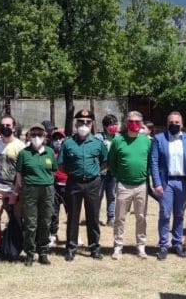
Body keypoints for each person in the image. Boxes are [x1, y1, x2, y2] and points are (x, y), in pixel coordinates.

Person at [60, 108, 109, 261]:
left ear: (92, 125)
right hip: (74, 183)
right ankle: (71, 248)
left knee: (93, 217)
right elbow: (61, 164)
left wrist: (93, 172)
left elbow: (105, 162)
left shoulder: (98, 143)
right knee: (73, 217)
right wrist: (74, 173)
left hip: (93, 183)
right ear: (76, 124)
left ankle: (94, 248)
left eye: (87, 122)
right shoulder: (68, 143)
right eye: (81, 122)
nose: (84, 125)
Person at [109, 112, 153, 260]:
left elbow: (150, 161)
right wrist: (119, 177)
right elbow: (112, 162)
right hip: (123, 185)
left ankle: (141, 246)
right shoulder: (118, 141)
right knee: (120, 218)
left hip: (141, 185)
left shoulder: (147, 141)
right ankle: (118, 246)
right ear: (126, 123)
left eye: (137, 121)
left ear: (141, 124)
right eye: (131, 121)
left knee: (141, 217)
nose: (134, 124)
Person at [16, 124, 57, 266]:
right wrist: (21, 189)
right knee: (30, 223)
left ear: (45, 137)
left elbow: (53, 170)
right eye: (33, 135)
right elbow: (19, 174)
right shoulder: (24, 153)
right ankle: (29, 253)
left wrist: (47, 182)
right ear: (29, 137)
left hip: (47, 189)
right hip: (30, 189)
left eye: (39, 135)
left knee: (45, 221)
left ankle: (43, 253)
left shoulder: (50, 152)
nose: (36, 138)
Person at [99, 114, 121, 226]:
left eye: (115, 124)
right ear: (105, 126)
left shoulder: (119, 138)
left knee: (112, 195)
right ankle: (95, 217)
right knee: (98, 196)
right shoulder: (98, 138)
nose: (114, 127)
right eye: (111, 125)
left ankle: (111, 218)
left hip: (113, 172)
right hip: (100, 172)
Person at [48, 129, 67, 247]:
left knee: (71, 212)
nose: (58, 141)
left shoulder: (68, 151)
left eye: (60, 138)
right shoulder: (49, 153)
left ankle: (73, 235)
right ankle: (53, 235)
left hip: (68, 185)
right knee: (53, 212)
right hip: (54, 186)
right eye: (55, 138)